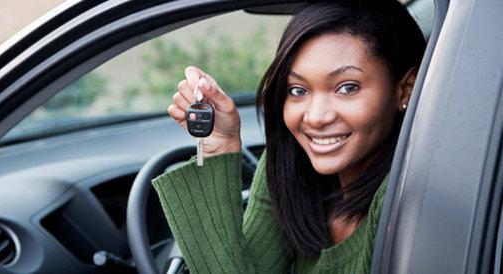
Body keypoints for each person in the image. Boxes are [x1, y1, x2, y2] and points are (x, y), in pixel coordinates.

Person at [153, 0, 426, 273]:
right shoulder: (289, 166)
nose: (316, 117)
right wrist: (218, 148)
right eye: (298, 90)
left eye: (347, 87)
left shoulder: (405, 193)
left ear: (405, 90)